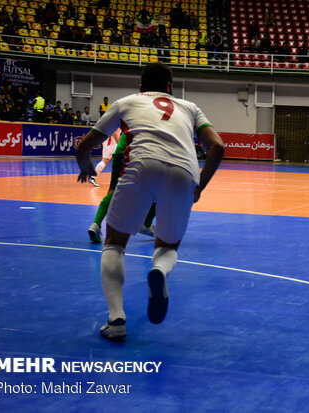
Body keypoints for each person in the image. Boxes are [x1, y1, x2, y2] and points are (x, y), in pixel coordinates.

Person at [75, 63, 225, 341]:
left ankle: (116, 319)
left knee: (115, 244)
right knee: (168, 246)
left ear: (140, 86)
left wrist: (85, 167)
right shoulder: (190, 107)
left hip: (140, 165)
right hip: (183, 172)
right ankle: (158, 270)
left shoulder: (126, 102)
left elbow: (85, 146)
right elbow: (218, 146)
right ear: (169, 87)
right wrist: (199, 187)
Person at [88, 131, 157, 243]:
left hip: (121, 151)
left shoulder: (129, 114)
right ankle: (146, 224)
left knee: (112, 191)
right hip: (139, 153)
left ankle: (96, 223)